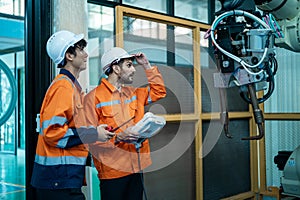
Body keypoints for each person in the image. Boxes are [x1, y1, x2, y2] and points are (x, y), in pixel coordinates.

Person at [30, 30, 115, 200]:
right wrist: (94, 134)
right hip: (56, 180)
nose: (86, 54)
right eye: (81, 49)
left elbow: (72, 129)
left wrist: (96, 131)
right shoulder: (63, 88)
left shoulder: (72, 87)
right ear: (69, 55)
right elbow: (53, 133)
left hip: (62, 178)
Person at [84, 47, 166, 200]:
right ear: (115, 68)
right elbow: (88, 138)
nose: (134, 70)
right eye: (129, 65)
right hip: (112, 172)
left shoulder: (133, 93)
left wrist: (147, 65)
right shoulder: (93, 98)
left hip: (136, 168)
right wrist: (118, 138)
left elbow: (159, 91)